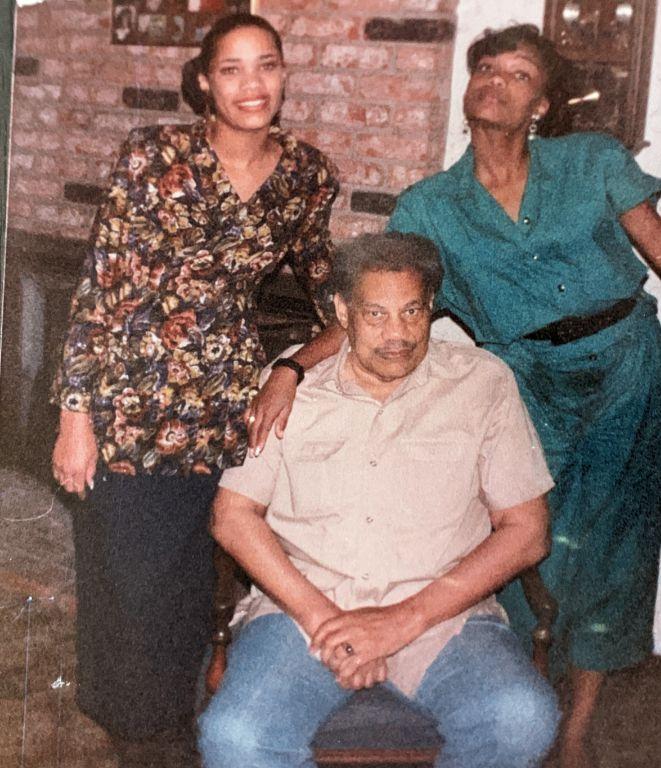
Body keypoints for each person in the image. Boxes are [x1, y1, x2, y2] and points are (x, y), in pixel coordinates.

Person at [248, 24, 661, 768]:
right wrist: (290, 369)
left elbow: (658, 248)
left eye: (519, 74)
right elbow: (375, 307)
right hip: (525, 380)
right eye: (487, 69)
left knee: (613, 549)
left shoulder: (592, 160)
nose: (496, 82)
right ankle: (474, 694)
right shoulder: (429, 206)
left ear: (542, 103)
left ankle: (573, 730)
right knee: (510, 537)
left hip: (628, 363)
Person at [50, 12, 339, 763]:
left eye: (267, 65)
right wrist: (75, 413)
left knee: (186, 579)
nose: (253, 84)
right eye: (233, 69)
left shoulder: (307, 175)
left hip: (223, 402)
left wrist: (291, 368)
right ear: (205, 82)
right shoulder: (154, 155)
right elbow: (101, 285)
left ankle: (173, 723)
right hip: (129, 393)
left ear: (284, 74)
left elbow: (331, 304)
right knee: (126, 574)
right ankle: (128, 728)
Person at [199, 232, 560, 768]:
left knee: (521, 717)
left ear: (431, 308)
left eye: (412, 312)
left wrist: (400, 622)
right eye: (376, 315)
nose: (398, 335)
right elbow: (232, 517)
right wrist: (325, 620)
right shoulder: (289, 389)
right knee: (236, 737)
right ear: (342, 311)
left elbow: (528, 531)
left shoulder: (483, 383)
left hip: (443, 616)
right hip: (304, 612)